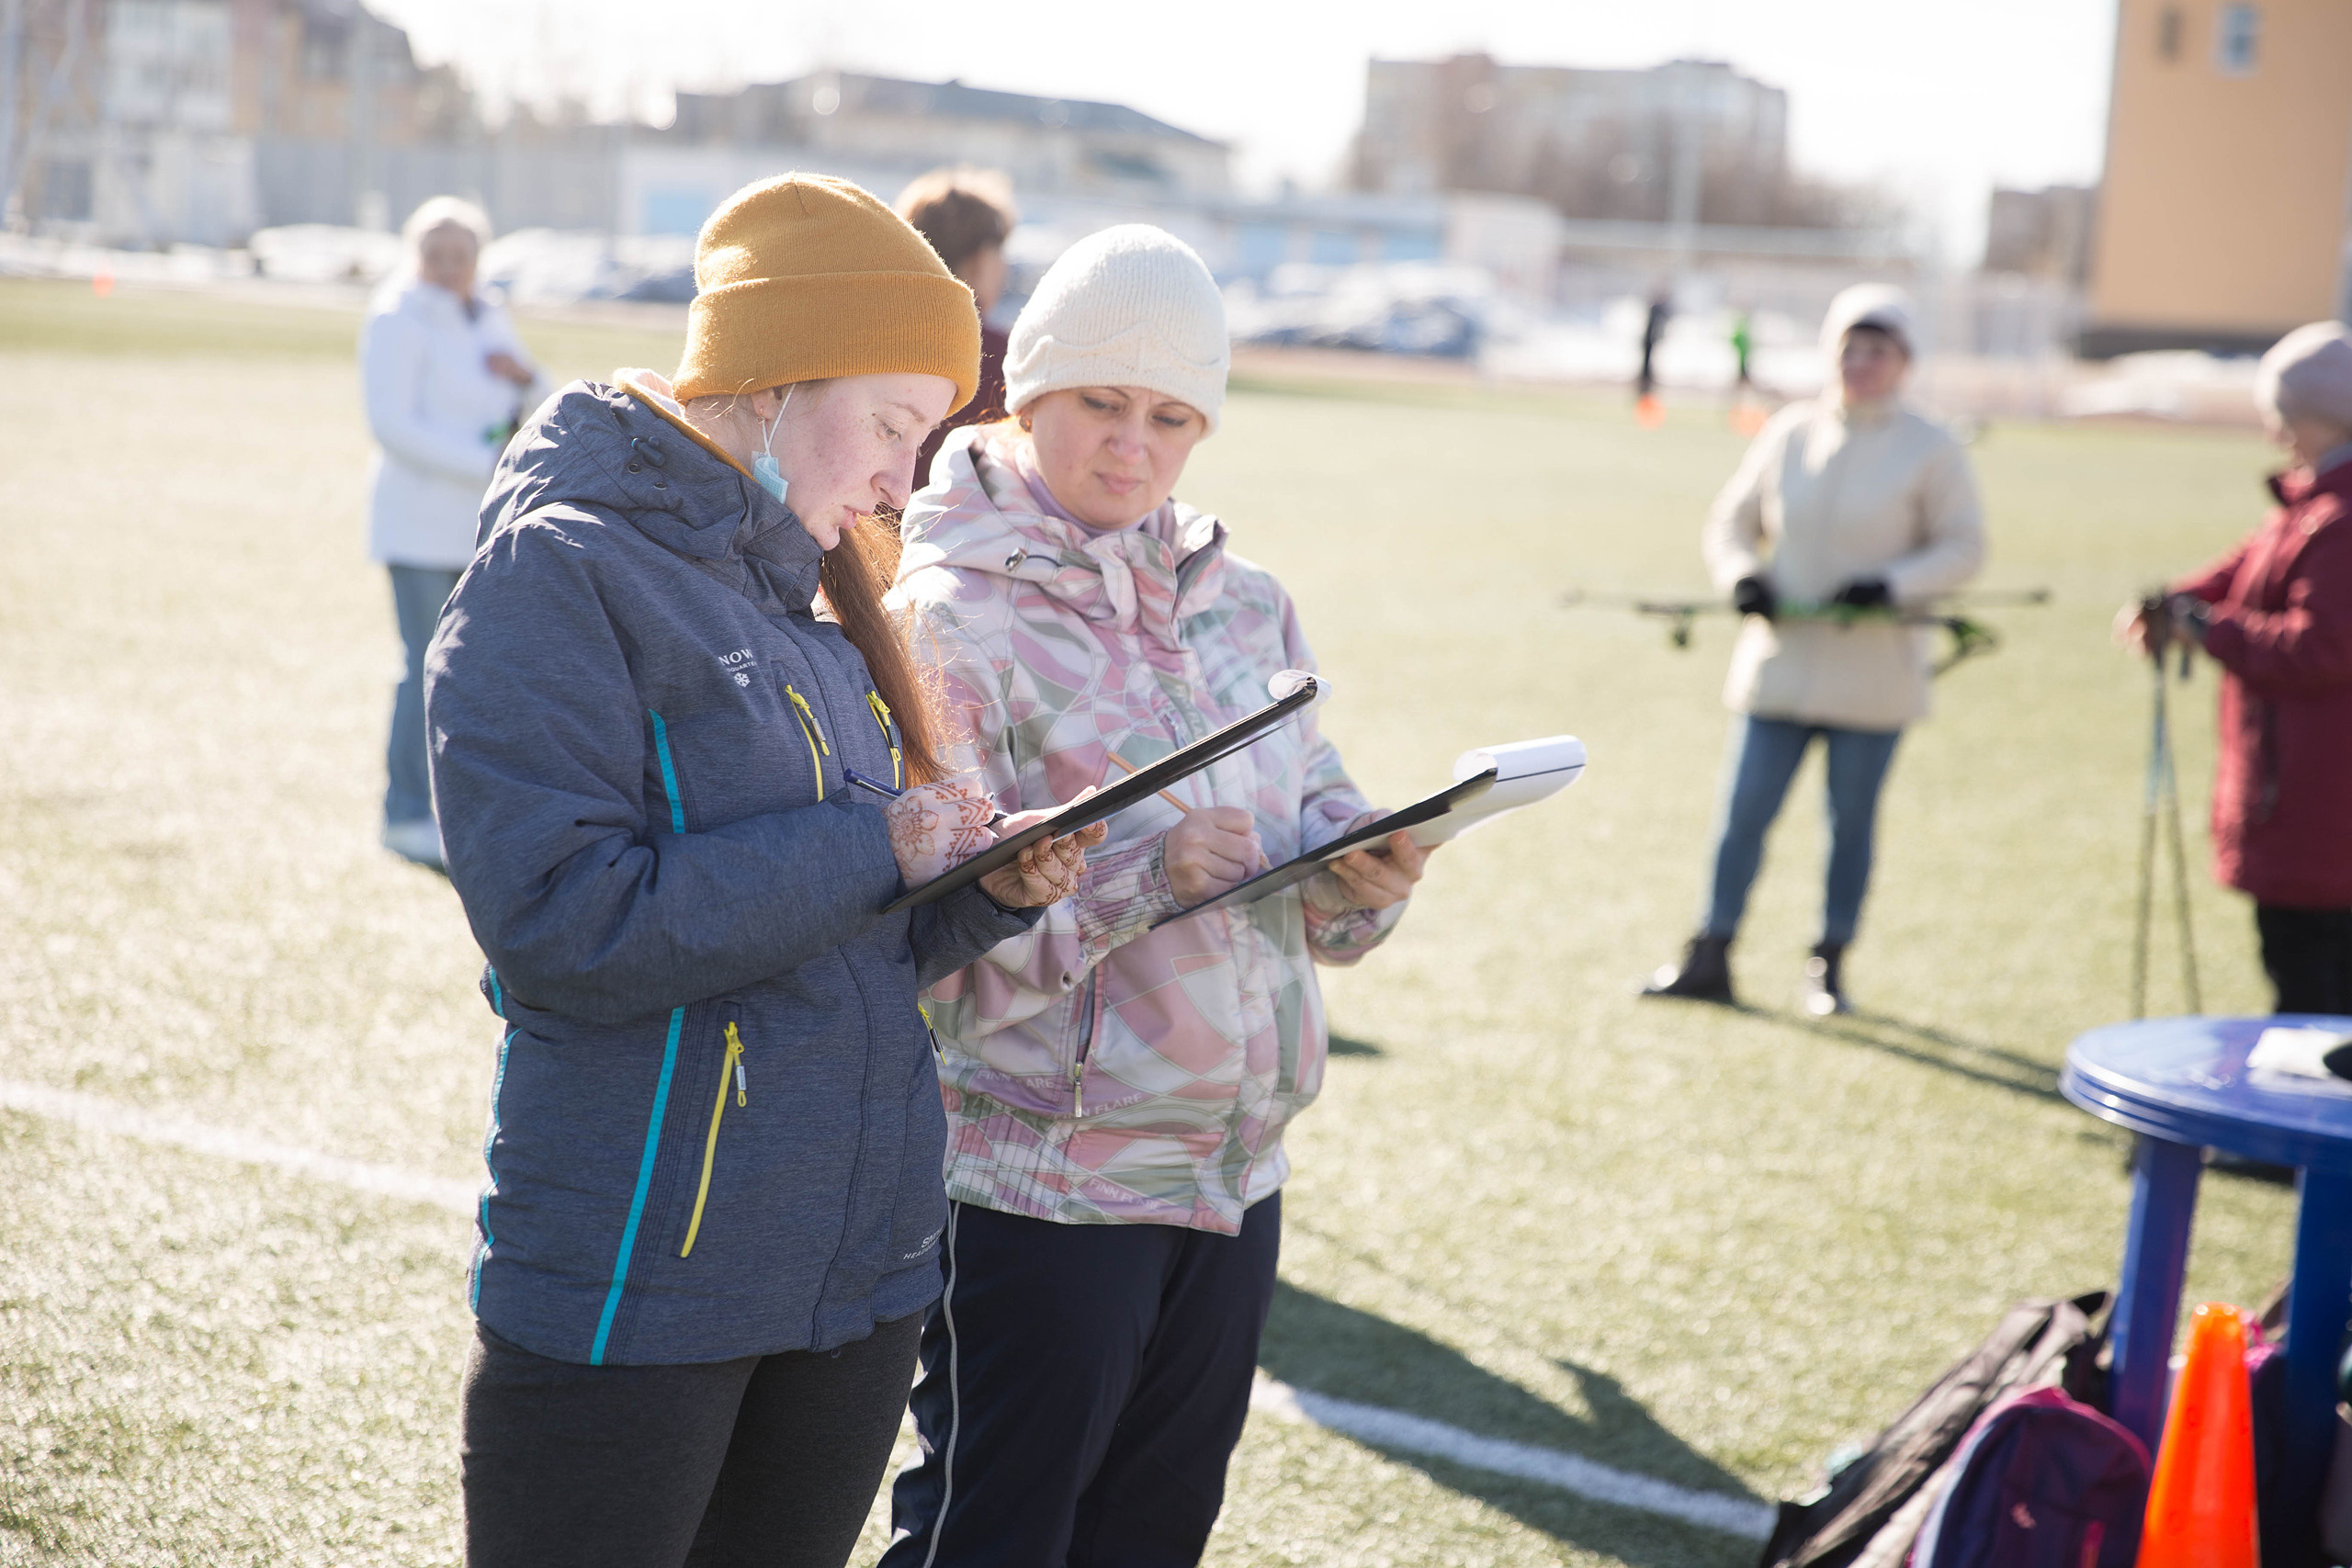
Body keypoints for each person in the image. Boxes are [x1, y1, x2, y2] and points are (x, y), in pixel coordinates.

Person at [423, 174, 1104, 1568]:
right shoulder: (559, 573)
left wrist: (981, 888)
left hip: (853, 1281)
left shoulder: (809, 598)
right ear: (774, 377)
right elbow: (565, 925)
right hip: (643, 1280)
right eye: (897, 425)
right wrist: (876, 841)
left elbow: (841, 942)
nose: (901, 482)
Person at [879, 225, 1433, 1567]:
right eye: (1101, 404)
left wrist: (1367, 864)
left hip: (1234, 1169)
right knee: (993, 1537)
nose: (1133, 445)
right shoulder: (945, 617)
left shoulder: (1248, 605)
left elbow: (1314, 822)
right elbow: (924, 953)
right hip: (1038, 1181)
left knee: (1153, 1536)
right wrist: (1138, 874)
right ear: (1027, 392)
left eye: (1172, 415)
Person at [1642, 284, 1984, 1014]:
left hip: (1874, 676)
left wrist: (1892, 585)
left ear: (1904, 361)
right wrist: (1743, 577)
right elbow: (1730, 523)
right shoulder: (1790, 431)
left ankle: (1828, 963)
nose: (1861, 364)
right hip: (1780, 663)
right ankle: (1712, 951)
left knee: (1849, 825)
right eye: (1849, 350)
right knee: (1742, 815)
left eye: (1878, 351)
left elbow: (1965, 546)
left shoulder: (1932, 446)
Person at [2118, 321, 2352, 1014]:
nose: (2275, 434)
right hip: (2302, 798)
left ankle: (2313, 1122)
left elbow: (2321, 648)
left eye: (2284, 418)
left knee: (2314, 995)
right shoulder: (2310, 503)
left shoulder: (2341, 517)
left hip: (2323, 801)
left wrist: (2206, 630)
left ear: (2319, 417)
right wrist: (2180, 601)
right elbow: (2247, 565)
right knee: (2301, 971)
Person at [359, 196, 542, 871]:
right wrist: (484, 463)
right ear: (415, 255)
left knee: (470, 673)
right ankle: (405, 812)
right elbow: (391, 424)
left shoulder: (487, 314)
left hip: (476, 528)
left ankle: (462, 810)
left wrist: (526, 380)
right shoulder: (396, 317)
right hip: (415, 524)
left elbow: (532, 392)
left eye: (459, 255)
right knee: (423, 667)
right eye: (433, 254)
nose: (446, 266)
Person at [897, 167, 1017, 487]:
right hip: (954, 532)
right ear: (979, 261)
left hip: (862, 527)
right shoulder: (1005, 357)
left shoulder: (876, 335)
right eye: (999, 253)